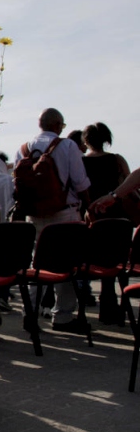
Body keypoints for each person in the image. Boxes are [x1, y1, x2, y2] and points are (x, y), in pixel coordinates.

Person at [13, 108, 91, 333]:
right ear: (57, 125)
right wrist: (88, 206)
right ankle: (63, 316)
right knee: (66, 265)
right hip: (63, 213)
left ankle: (29, 312)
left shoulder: (23, 149)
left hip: (33, 213)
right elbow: (80, 182)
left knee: (36, 264)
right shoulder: (67, 146)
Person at [81, 122, 131, 323]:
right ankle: (117, 306)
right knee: (118, 262)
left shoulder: (82, 163)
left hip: (93, 215)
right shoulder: (117, 160)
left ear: (86, 140)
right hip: (117, 214)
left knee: (99, 262)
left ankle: (102, 303)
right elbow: (129, 184)